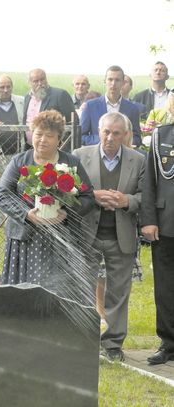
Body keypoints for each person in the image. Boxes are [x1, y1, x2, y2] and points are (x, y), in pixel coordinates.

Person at [0, 110, 94, 301]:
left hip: (61, 241)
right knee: (23, 295)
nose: (42, 140)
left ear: (59, 139)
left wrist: (66, 212)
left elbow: (88, 197)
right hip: (25, 239)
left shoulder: (71, 163)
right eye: (38, 134)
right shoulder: (19, 162)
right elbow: (2, 194)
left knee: (58, 294)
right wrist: (26, 214)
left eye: (49, 136)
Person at [73, 112, 145, 362]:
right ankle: (82, 339)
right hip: (87, 234)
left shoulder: (138, 160)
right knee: (81, 288)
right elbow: (69, 191)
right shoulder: (80, 156)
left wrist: (127, 201)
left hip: (120, 235)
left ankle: (113, 344)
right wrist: (93, 196)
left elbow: (146, 196)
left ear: (126, 135)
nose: (110, 138)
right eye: (106, 132)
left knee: (118, 292)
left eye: (116, 133)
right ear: (98, 131)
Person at [141, 120, 174, 365]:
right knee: (165, 288)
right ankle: (169, 343)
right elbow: (150, 182)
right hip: (166, 223)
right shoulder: (162, 134)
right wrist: (149, 220)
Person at [81, 66, 141, 147]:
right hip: (97, 154)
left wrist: (121, 140)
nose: (113, 83)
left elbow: (137, 139)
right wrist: (103, 139)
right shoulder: (90, 106)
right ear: (105, 81)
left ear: (123, 83)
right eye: (110, 79)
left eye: (117, 80)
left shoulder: (132, 109)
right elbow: (81, 136)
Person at [23, 68, 75, 146]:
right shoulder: (27, 97)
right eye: (36, 81)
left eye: (42, 79)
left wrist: (61, 144)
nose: (40, 83)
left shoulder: (60, 95)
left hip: (52, 148)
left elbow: (73, 123)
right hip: (30, 146)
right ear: (29, 83)